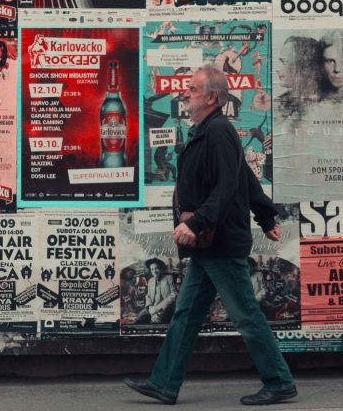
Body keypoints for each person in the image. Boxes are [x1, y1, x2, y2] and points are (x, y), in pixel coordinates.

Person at [124, 65, 297, 406]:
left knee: (246, 314)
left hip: (219, 242)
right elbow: (245, 175)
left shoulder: (217, 130)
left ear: (211, 97)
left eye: (192, 88)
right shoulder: (207, 129)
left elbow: (229, 185)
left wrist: (196, 222)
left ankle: (279, 381)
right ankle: (164, 384)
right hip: (208, 246)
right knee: (185, 315)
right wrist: (265, 216)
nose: (185, 92)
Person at [134, 258, 176, 324]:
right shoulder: (150, 281)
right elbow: (148, 296)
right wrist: (150, 308)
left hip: (165, 308)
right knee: (137, 321)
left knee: (156, 321)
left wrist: (159, 308)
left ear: (161, 269)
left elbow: (174, 294)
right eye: (152, 269)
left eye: (156, 268)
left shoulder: (169, 278)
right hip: (152, 308)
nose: (154, 271)